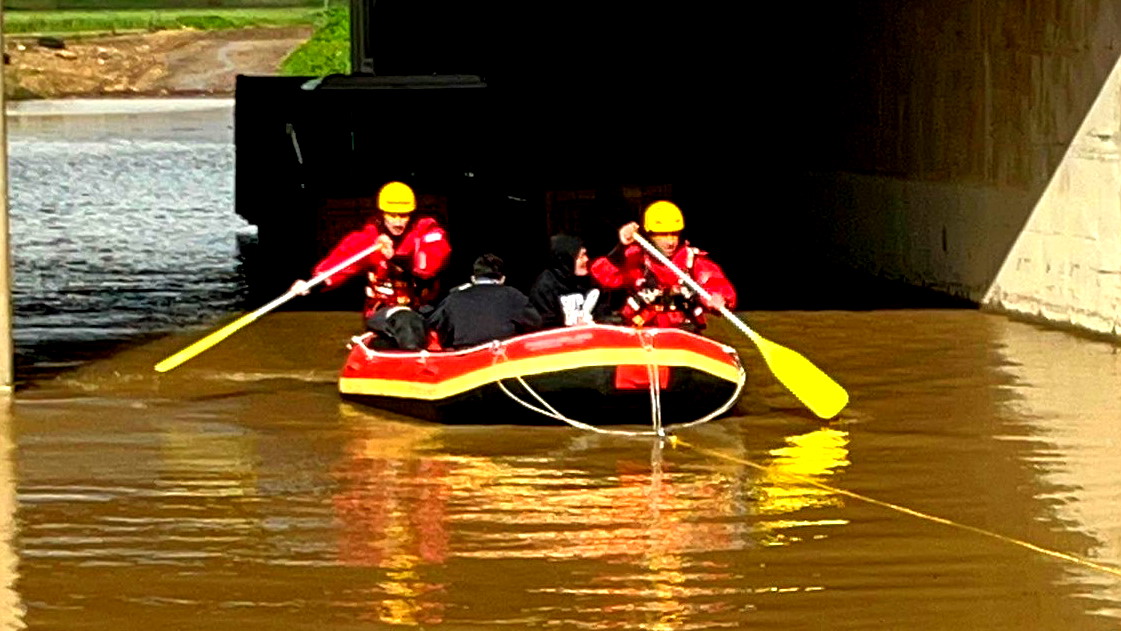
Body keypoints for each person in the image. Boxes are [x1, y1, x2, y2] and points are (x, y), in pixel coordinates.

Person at [292, 181, 451, 349]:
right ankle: (411, 361)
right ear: (382, 214)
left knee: (453, 310)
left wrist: (394, 258)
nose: (398, 222)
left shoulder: (429, 233)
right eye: (392, 215)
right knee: (406, 320)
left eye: (403, 215)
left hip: (426, 309)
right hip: (388, 310)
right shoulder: (367, 240)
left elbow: (429, 267)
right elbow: (338, 266)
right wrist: (310, 284)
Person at [589, 200, 736, 331]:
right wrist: (620, 248)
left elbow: (718, 285)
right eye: (663, 234)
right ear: (649, 235)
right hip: (642, 331)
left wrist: (719, 298)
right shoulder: (637, 258)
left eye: (674, 234)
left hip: (683, 333)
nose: (670, 242)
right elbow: (603, 276)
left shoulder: (692, 261)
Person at [426, 254, 542, 349]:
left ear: (473, 279)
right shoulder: (513, 295)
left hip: (466, 363)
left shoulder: (454, 298)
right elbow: (536, 323)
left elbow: (433, 326)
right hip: (503, 358)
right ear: (502, 279)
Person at [528, 233, 601, 328]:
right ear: (566, 260)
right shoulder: (544, 287)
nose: (586, 259)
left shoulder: (589, 281)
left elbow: (602, 312)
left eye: (586, 254)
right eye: (581, 256)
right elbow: (544, 325)